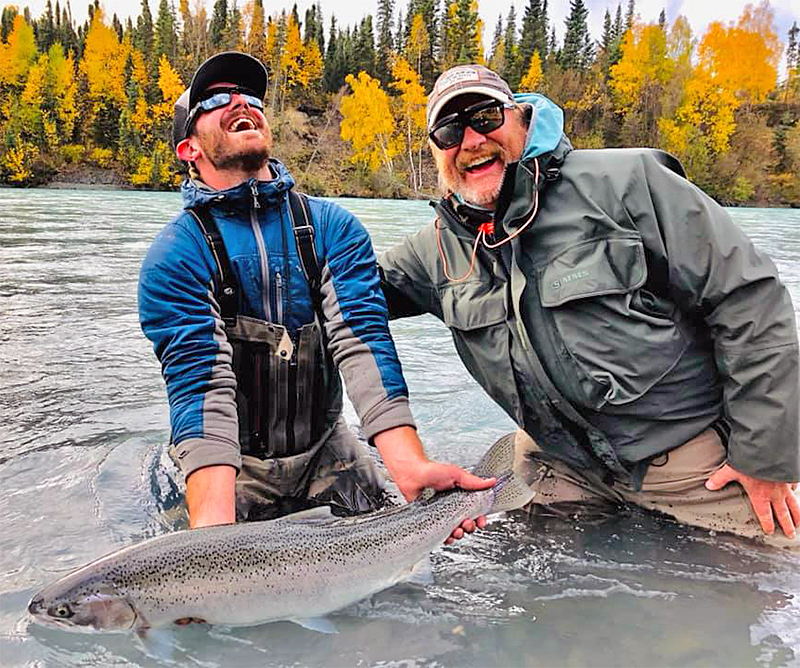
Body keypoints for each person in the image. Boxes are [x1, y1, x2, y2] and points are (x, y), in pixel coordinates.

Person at [378, 64, 800, 547]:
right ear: (435, 151)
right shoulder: (432, 251)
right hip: (558, 467)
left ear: (519, 119)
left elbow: (750, 298)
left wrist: (763, 456)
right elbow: (340, 296)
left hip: (693, 467)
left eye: (486, 116)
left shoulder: (628, 182)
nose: (471, 139)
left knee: (762, 591)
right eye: (450, 130)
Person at [138, 52, 493, 536]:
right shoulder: (175, 256)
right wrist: (210, 540)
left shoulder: (333, 228)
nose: (241, 103)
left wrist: (409, 464)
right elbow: (202, 387)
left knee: (407, 569)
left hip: (329, 449)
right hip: (231, 465)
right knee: (198, 597)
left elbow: (361, 341)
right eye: (217, 99)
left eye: (250, 97)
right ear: (188, 149)